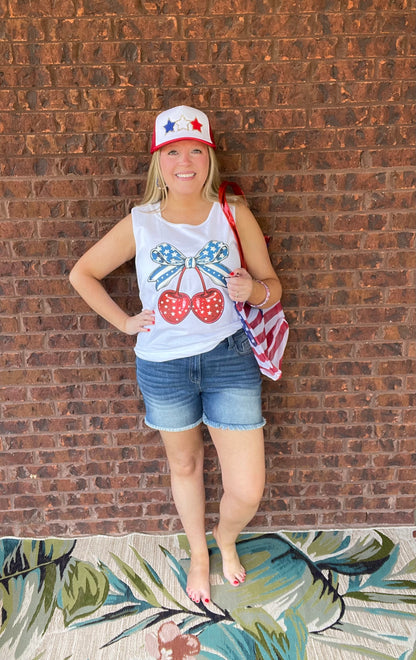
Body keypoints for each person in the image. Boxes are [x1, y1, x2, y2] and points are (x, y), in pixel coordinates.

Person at [69, 105, 283, 605]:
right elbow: (83, 273)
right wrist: (124, 322)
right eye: (172, 152)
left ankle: (226, 537)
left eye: (194, 151)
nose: (184, 162)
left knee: (247, 489)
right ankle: (200, 554)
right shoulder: (141, 222)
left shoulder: (233, 215)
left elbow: (274, 288)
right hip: (163, 367)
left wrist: (253, 291)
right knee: (184, 466)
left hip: (229, 358)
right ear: (157, 162)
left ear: (208, 158)